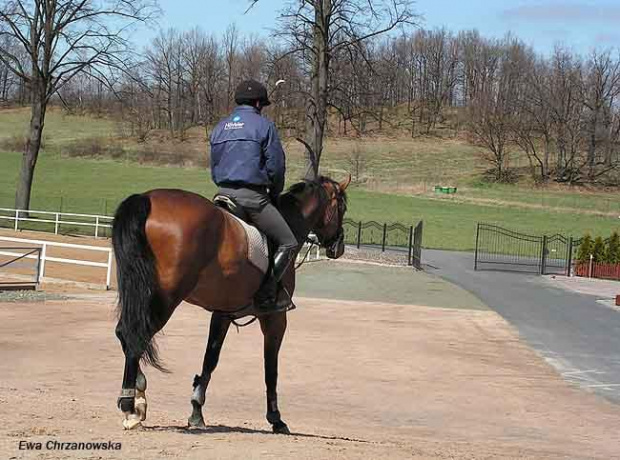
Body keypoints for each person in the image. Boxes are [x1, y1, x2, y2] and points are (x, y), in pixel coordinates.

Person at [210, 79, 298, 312]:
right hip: (252, 198)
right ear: (259, 103)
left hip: (221, 195)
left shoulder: (220, 127)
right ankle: (267, 292)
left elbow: (214, 165)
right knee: (289, 242)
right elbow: (276, 167)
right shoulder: (264, 126)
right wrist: (275, 193)